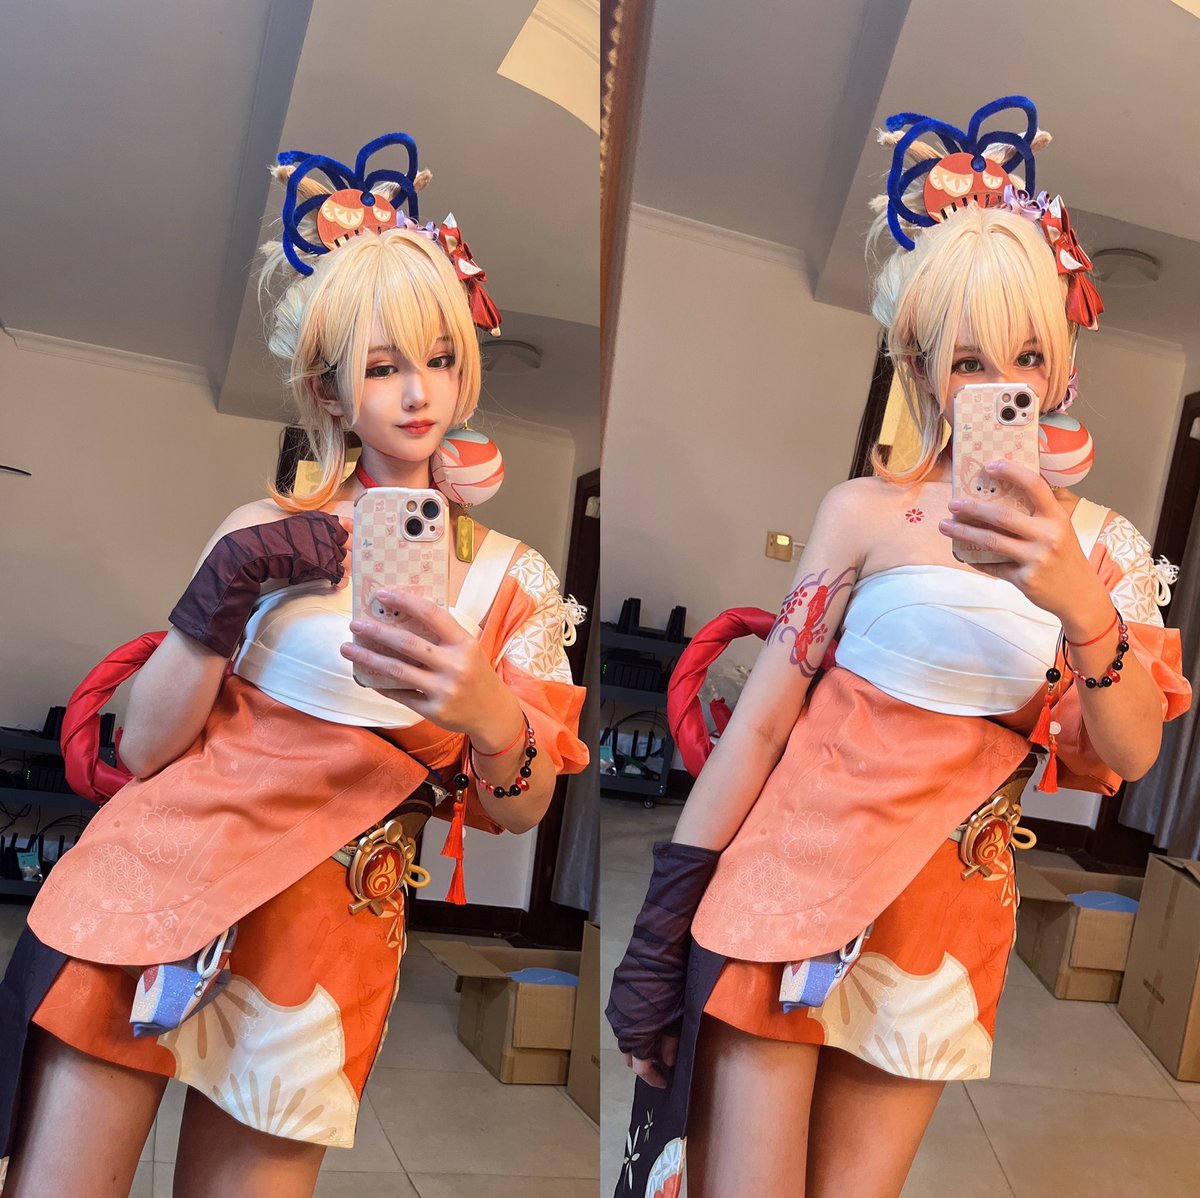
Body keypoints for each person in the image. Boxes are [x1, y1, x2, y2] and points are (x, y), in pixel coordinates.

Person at [606, 96, 1191, 1198]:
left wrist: (1081, 604)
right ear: (921, 370)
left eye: (1029, 351)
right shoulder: (863, 513)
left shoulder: (1108, 550)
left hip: (942, 915)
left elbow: (1134, 751)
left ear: (1064, 365)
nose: (1005, 382)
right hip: (784, 887)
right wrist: (661, 921)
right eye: (969, 359)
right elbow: (763, 725)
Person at [0, 133, 587, 1198]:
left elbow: (522, 810)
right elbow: (146, 749)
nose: (417, 390)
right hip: (154, 883)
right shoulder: (259, 530)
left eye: (439, 357)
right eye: (382, 365)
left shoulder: (517, 580)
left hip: (328, 930)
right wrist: (224, 590)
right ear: (330, 389)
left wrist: (491, 713)